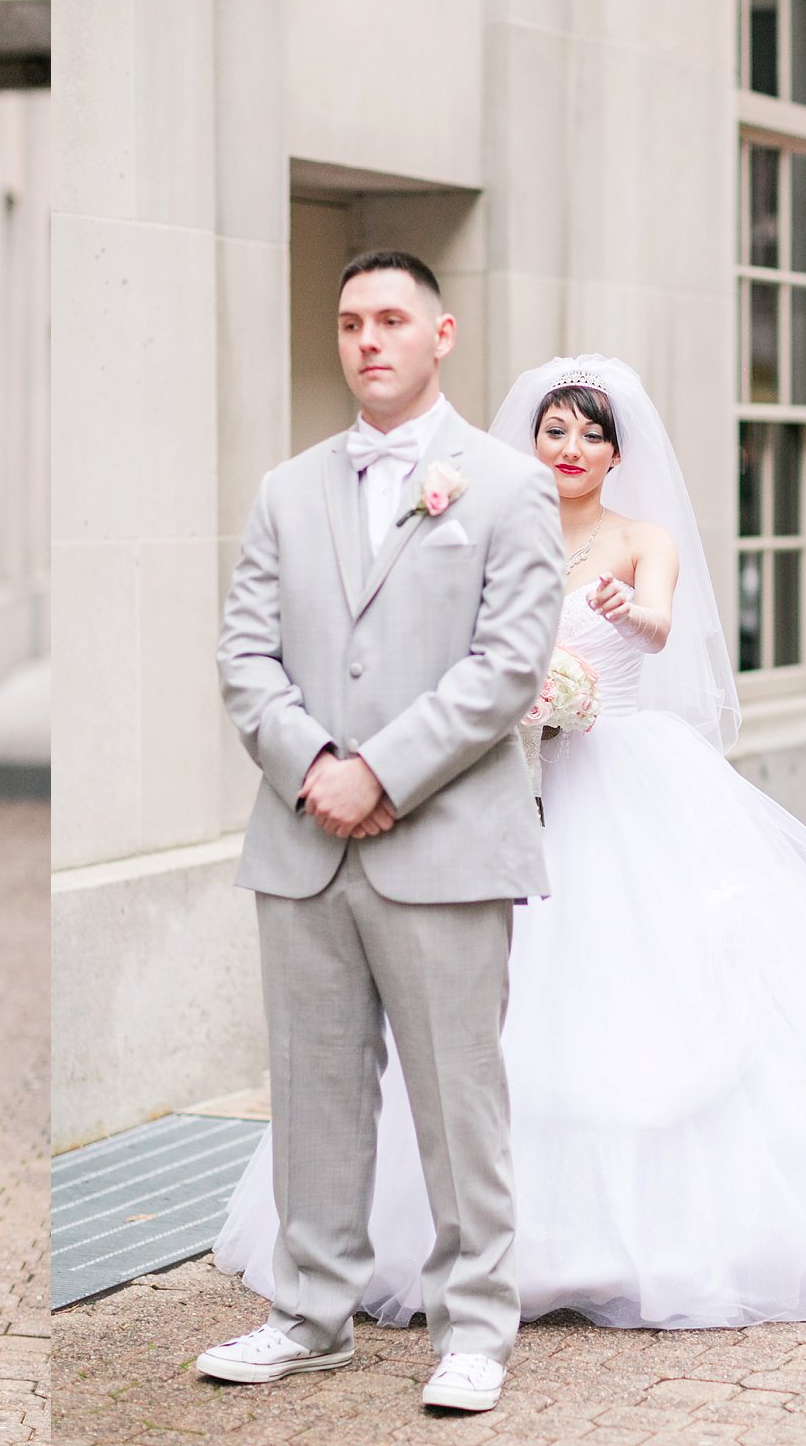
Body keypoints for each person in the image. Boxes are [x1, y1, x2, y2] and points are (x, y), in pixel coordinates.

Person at [214, 352, 806, 1335]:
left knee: (622, 995)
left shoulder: (639, 538)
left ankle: (614, 1238)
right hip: (494, 786)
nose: (570, 449)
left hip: (613, 777)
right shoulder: (482, 521)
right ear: (529, 441)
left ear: (617, 452)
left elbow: (662, 630)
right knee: (467, 1004)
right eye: (554, 431)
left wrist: (626, 618)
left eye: (590, 434)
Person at [201, 251, 566, 1412]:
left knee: (458, 1098)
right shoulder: (284, 488)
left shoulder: (506, 488)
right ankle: (309, 1313)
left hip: (444, 843)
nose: (367, 340)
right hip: (302, 842)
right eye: (350, 321)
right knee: (310, 1086)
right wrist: (312, 764)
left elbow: (505, 668)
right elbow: (242, 653)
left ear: (441, 333)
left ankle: (473, 1327)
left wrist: (380, 773)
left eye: (391, 320)